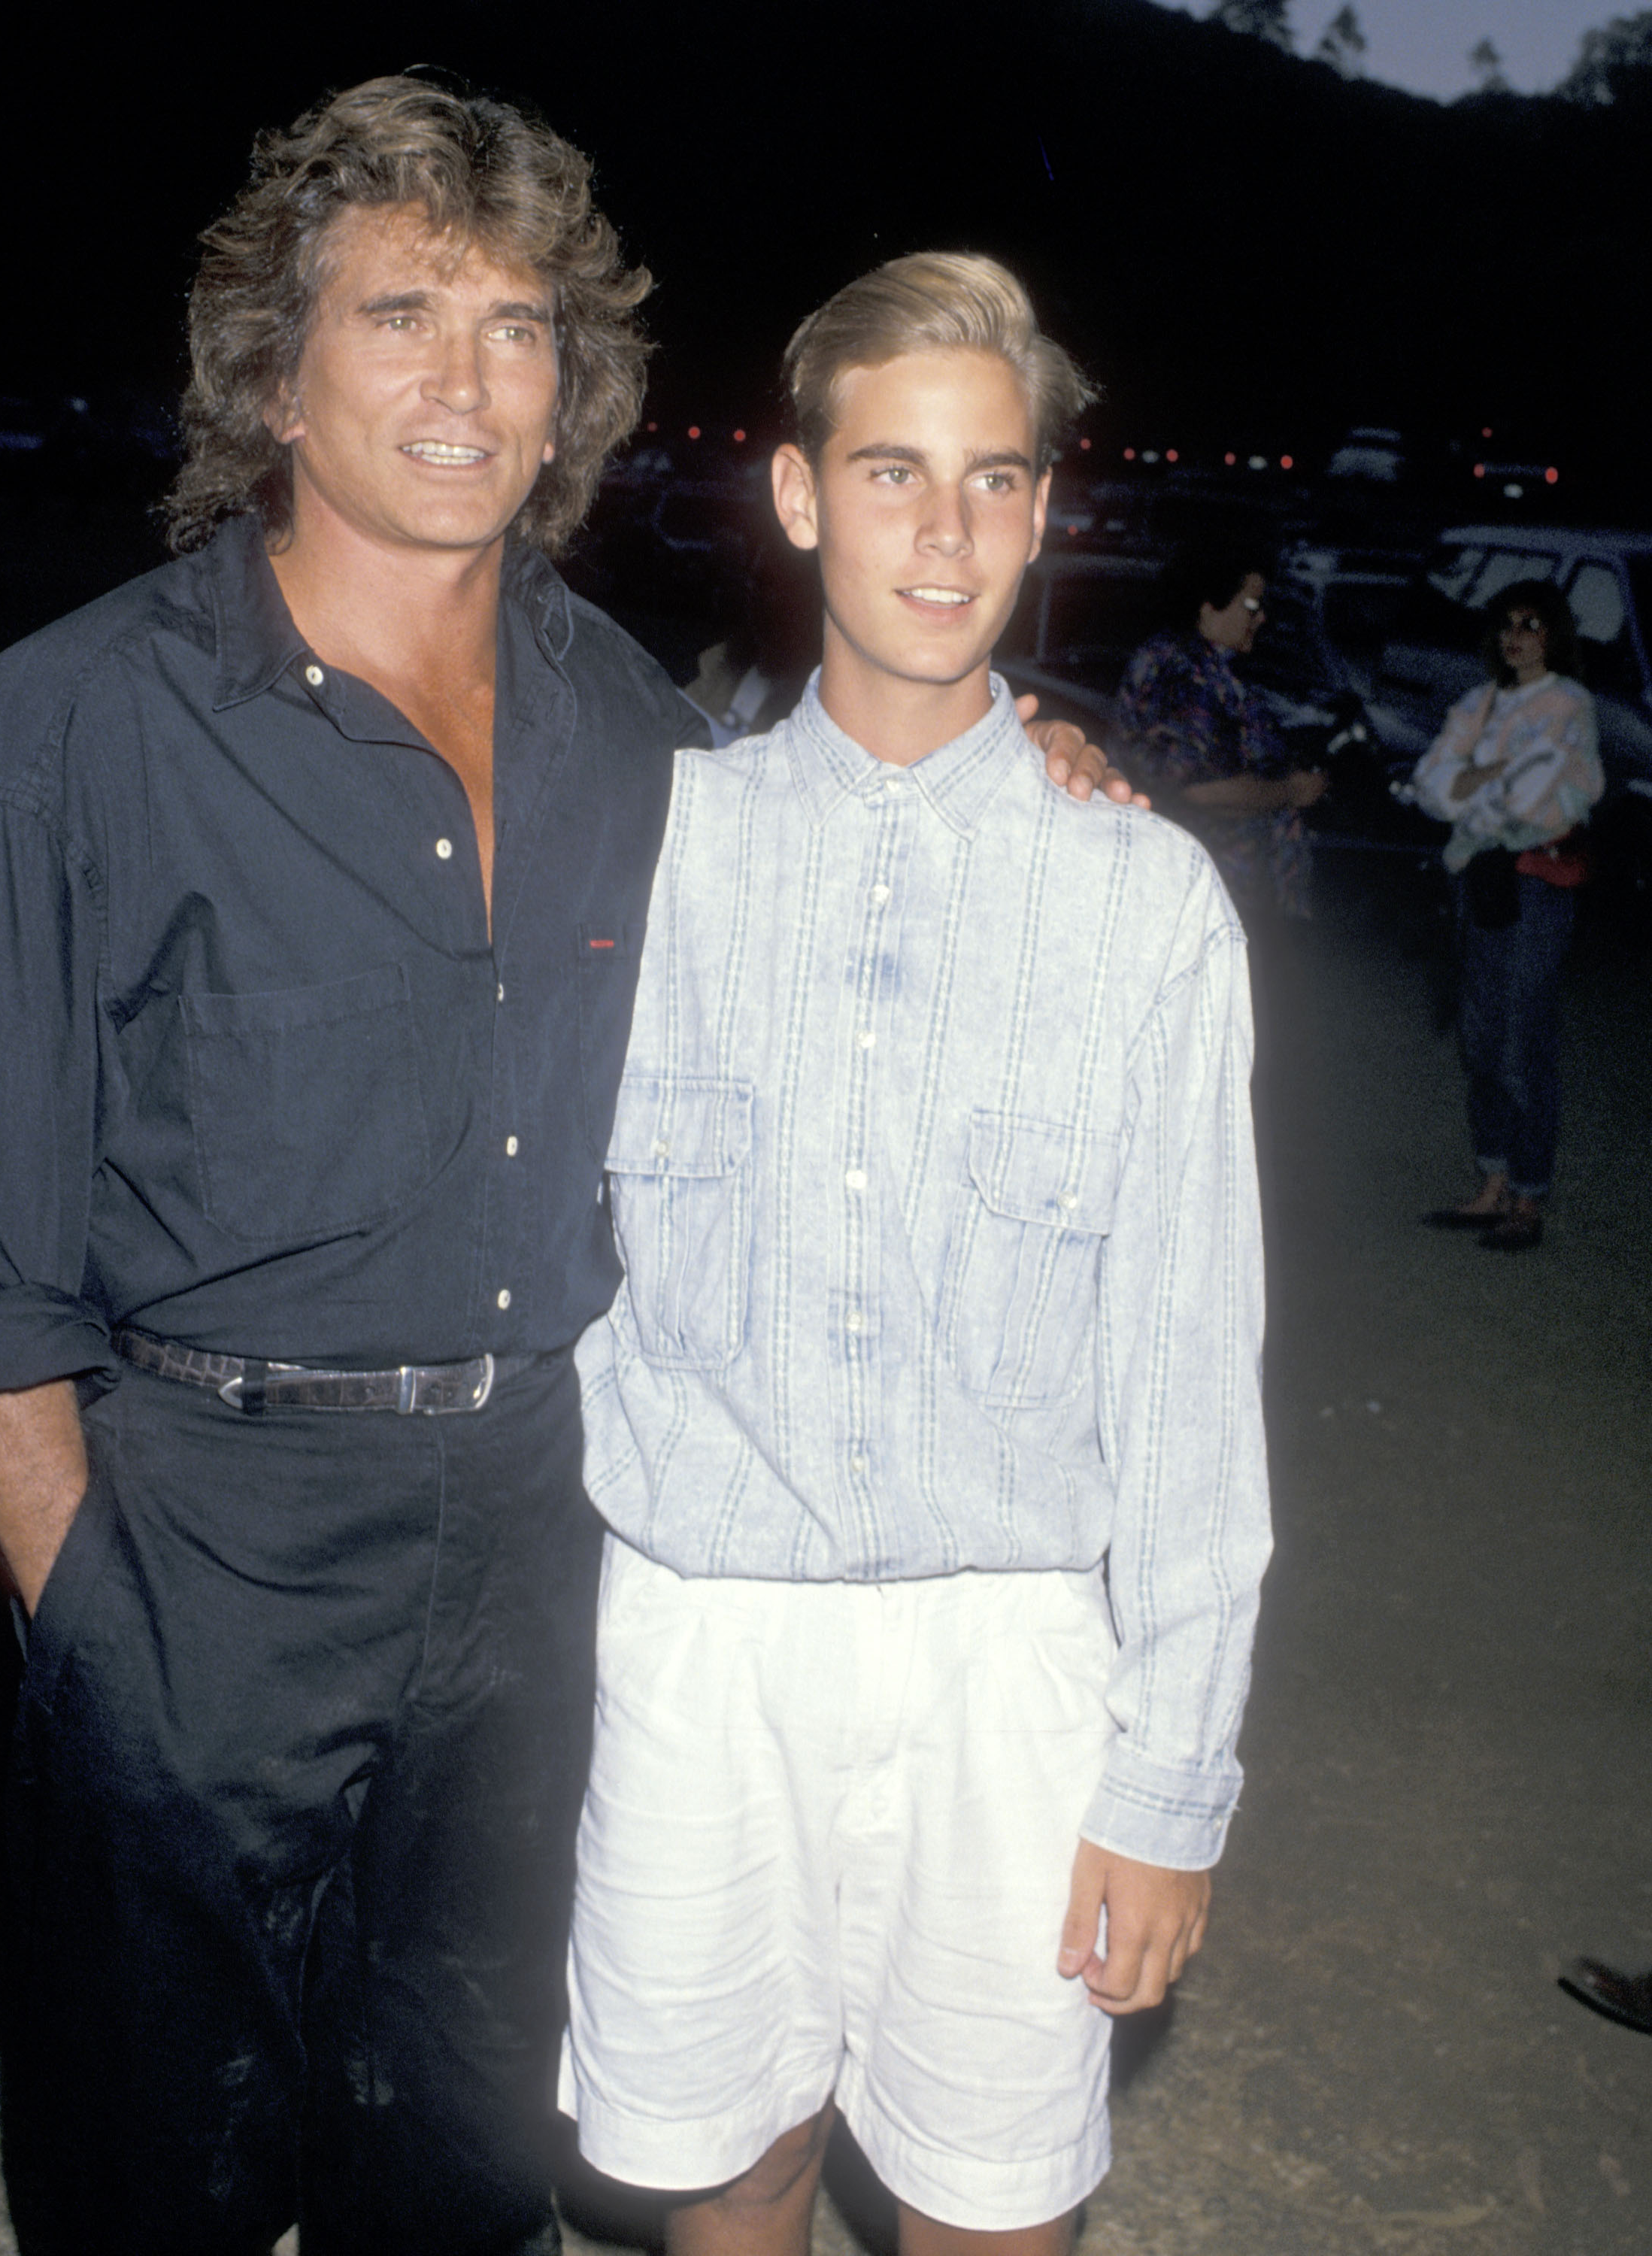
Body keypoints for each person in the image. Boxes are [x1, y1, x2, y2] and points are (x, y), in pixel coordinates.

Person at [0, 81, 1120, 2255]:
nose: (467, 379)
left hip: (548, 1552)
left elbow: (868, 843)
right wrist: (101, 1633)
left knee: (471, 2165)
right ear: (272, 373)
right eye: (400, 313)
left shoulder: (645, 738)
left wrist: (1039, 769)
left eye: (516, 326)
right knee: (155, 2173)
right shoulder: (68, 729)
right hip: (201, 1547)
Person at [559, 254, 1273, 2256]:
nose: (940, 532)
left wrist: (1169, 1778)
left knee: (986, 2211)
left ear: (1044, 510)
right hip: (705, 1644)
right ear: (795, 497)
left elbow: (1186, 1376)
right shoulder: (642, 856)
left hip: (1010, 1667)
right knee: (739, 2167)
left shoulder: (1142, 909)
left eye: (988, 480)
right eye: (888, 473)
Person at [1410, 581, 1603, 1253]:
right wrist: (1497, 776)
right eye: (1505, 625)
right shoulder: (1479, 702)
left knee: (1524, 1043)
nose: (1515, 636)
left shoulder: (1571, 704)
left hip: (1537, 890)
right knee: (1482, 1041)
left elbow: (1548, 801)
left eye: (1530, 624)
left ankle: (1528, 1195)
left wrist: (1477, 784)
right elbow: (1431, 786)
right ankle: (1490, 1185)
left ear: (1553, 634)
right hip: (1481, 886)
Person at [1115, 539, 1327, 923]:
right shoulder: (1181, 673)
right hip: (1204, 899)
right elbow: (1200, 789)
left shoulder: (1211, 669)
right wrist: (1292, 791)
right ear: (1208, 607)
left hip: (1228, 895)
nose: (1260, 617)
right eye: (1250, 606)